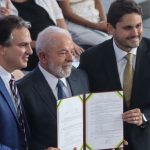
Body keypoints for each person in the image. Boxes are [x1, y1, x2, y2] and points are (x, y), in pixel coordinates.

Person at [79, 0, 150, 150]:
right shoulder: (91, 59)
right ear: (110, 29)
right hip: (106, 141)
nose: (136, 33)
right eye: (128, 28)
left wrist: (143, 116)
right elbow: (83, 101)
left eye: (138, 26)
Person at [17, 26, 89, 150]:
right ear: (43, 57)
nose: (71, 59)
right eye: (63, 53)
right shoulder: (23, 89)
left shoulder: (81, 76)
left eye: (71, 52)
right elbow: (21, 138)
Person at [11, 0, 83, 71]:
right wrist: (43, 44)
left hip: (58, 43)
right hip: (32, 50)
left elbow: (60, 20)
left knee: (84, 56)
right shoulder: (5, 7)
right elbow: (13, 41)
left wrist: (69, 42)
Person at [0, 15, 32, 150]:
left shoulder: (16, 79)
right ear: (2, 49)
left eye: (30, 44)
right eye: (23, 45)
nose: (30, 51)